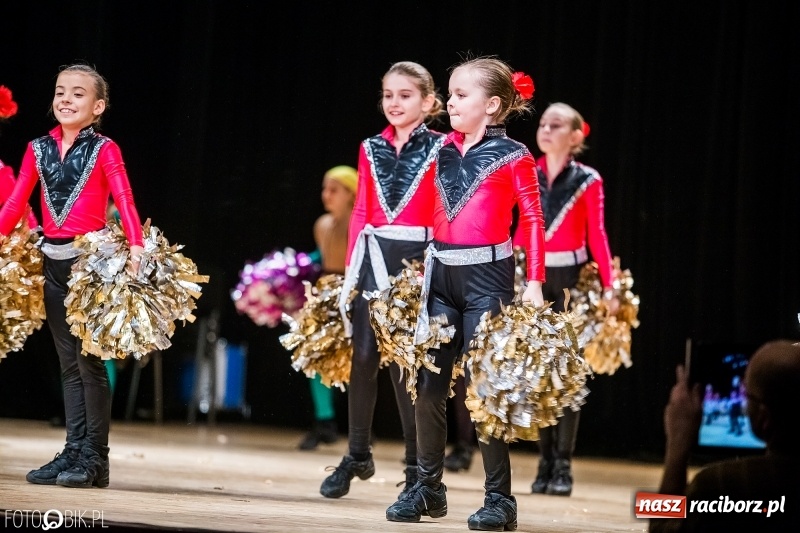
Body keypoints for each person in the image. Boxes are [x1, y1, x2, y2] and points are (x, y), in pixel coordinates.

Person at [385, 56, 545, 531]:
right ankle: (427, 488)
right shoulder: (438, 150)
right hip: (440, 278)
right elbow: (416, 213)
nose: (450, 102)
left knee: (483, 387)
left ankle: (500, 499)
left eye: (460, 95)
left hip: (488, 281)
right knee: (429, 389)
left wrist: (534, 282)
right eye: (450, 94)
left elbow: (533, 221)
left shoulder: (516, 155)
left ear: (492, 105)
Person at [0, 64, 144, 489]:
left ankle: (95, 456)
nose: (66, 99)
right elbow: (13, 204)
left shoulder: (105, 149)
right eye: (61, 91)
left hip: (89, 267)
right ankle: (74, 448)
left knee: (89, 363)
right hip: (52, 262)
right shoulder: (37, 149)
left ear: (97, 107)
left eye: (78, 94)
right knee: (67, 364)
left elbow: (125, 198)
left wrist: (136, 244)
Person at [320, 61, 446, 500]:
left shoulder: (444, 146)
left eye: (405, 95)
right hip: (373, 259)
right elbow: (360, 212)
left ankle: (416, 468)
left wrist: (436, 265)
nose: (394, 103)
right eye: (388, 94)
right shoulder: (370, 146)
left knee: (405, 369)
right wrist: (352, 270)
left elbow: (442, 210)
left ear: (429, 102)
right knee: (363, 357)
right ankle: (357, 454)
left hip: (416, 262)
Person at [528, 102, 618, 497]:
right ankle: (544, 460)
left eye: (557, 124)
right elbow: (520, 228)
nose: (546, 129)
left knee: (567, 375)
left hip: (571, 281)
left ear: (577, 136)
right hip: (533, 278)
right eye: (543, 123)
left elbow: (596, 235)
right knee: (537, 374)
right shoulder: (527, 171)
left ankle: (563, 464)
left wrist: (610, 285)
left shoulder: (588, 179)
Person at [650, 340, 800, 532]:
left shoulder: (718, 487)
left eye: (749, 396)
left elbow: (660, 527)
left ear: (764, 418)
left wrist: (676, 447)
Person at [297, 165, 357, 451]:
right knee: (317, 358)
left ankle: (361, 429)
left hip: (352, 294)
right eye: (324, 189)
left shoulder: (358, 224)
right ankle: (324, 422)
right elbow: (320, 256)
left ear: (351, 194)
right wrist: (291, 267)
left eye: (334, 189)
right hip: (324, 293)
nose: (326, 195)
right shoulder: (322, 224)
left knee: (356, 364)